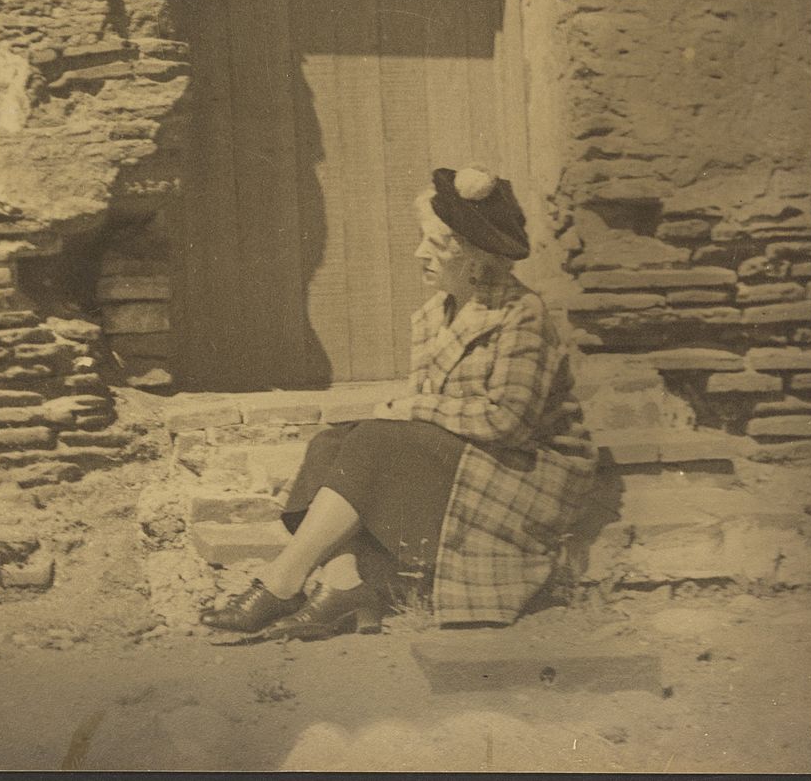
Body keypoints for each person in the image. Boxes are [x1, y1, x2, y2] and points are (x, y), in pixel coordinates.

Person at [202, 165, 596, 641]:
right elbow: (432, 416)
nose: (417, 253)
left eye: (433, 243)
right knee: (330, 444)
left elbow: (508, 421)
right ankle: (346, 587)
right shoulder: (434, 314)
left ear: (472, 256)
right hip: (466, 455)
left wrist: (415, 409)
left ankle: (282, 580)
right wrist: (412, 410)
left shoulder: (520, 314)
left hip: (524, 470)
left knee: (373, 441)